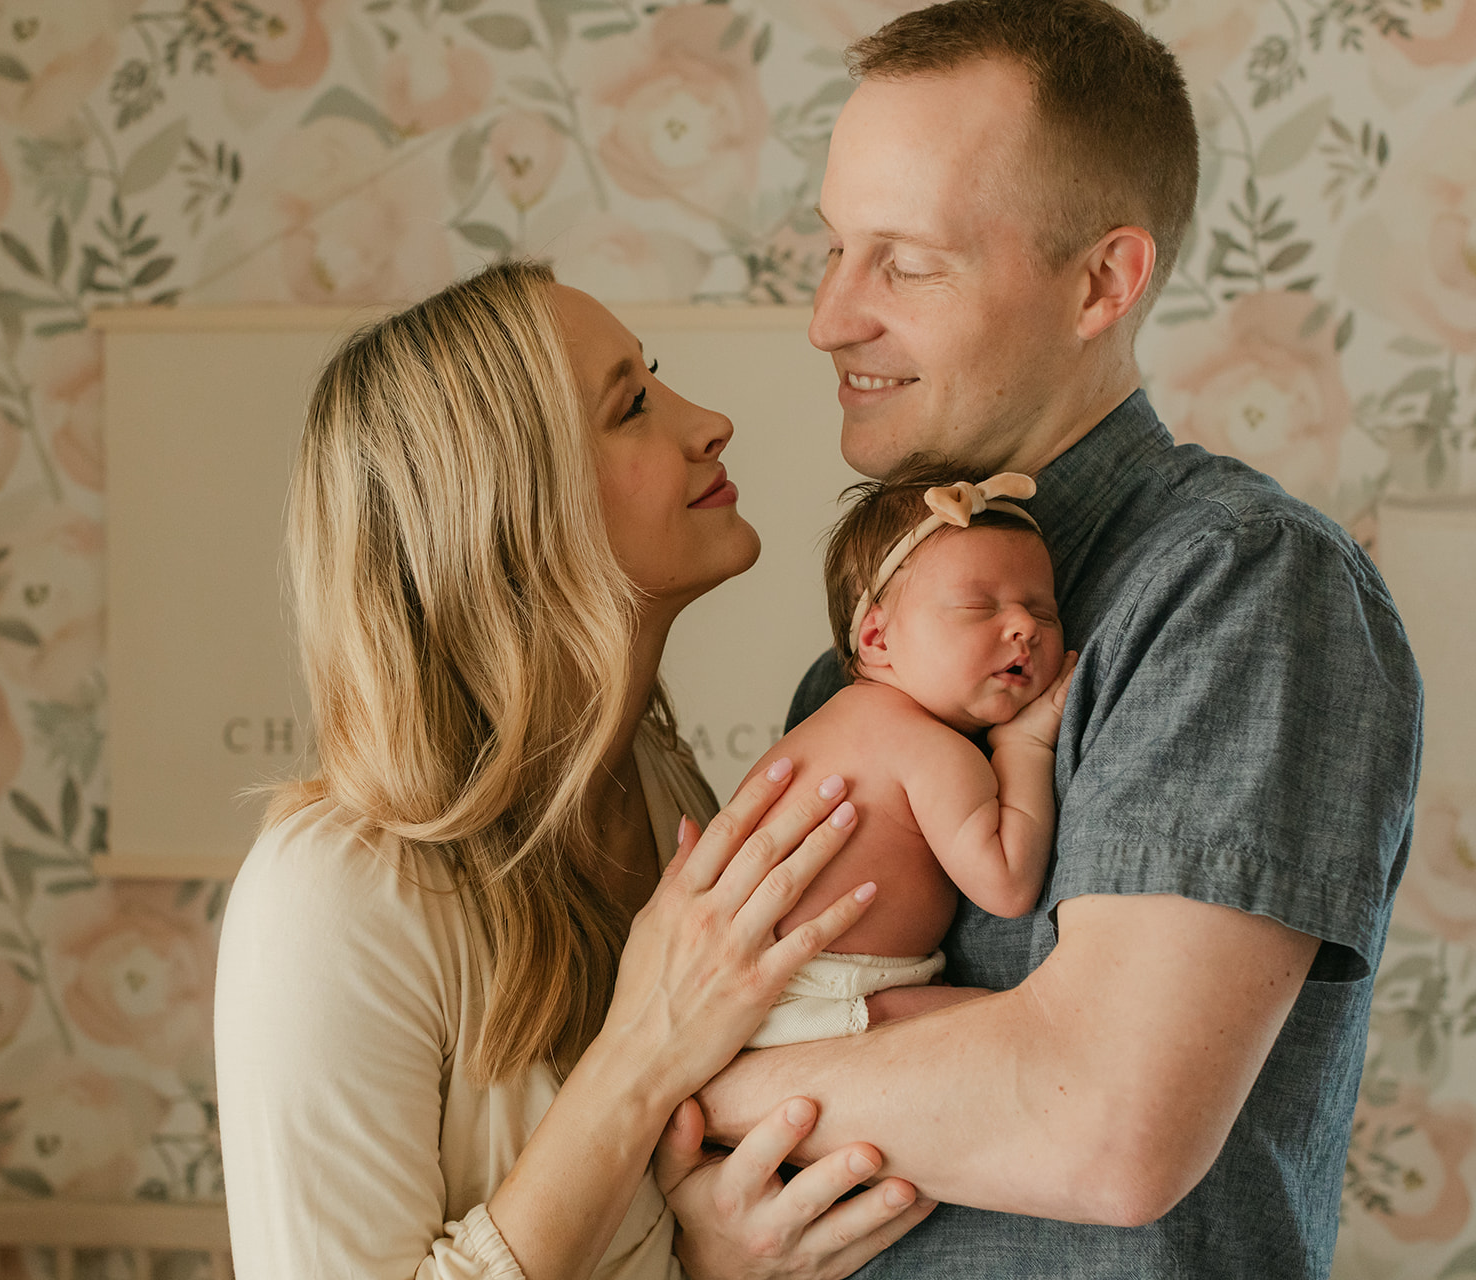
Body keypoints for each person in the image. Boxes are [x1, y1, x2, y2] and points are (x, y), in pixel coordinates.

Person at [652, 3, 1423, 1277]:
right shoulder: (862, 664)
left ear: (1100, 282)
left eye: (905, 260)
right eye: (838, 248)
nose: (829, 317)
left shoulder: (1234, 584)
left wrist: (665, 1084)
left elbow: (1103, 1124)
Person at [213, 260, 934, 1280]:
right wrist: (641, 1054)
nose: (709, 420)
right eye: (631, 406)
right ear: (506, 511)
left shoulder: (656, 780)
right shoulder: (328, 896)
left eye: (655, 379)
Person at [741, 459, 1075, 1049]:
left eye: (1044, 609)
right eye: (979, 608)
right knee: (1026, 1027)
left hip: (764, 990)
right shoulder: (925, 748)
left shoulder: (840, 720)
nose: (1024, 624)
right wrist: (1026, 742)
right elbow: (1007, 882)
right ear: (878, 638)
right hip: (822, 997)